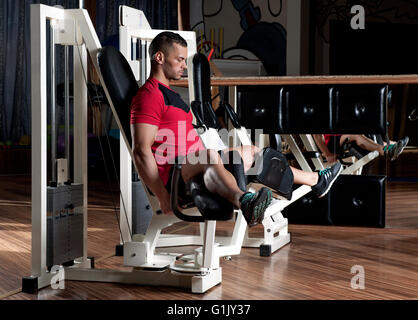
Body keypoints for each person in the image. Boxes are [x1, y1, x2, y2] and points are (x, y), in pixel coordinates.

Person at [130, 31, 342, 227]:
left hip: (195, 161)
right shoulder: (149, 96)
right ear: (159, 58)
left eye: (185, 60)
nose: (184, 65)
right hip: (175, 173)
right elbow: (140, 150)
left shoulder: (170, 94)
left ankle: (315, 180)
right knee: (210, 155)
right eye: (179, 59)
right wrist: (161, 194)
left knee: (252, 152)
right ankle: (245, 201)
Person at [313, 134, 409, 163]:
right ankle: (384, 150)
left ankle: (394, 145)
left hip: (340, 136)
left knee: (367, 135)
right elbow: (317, 135)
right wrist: (328, 154)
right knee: (356, 135)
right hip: (330, 143)